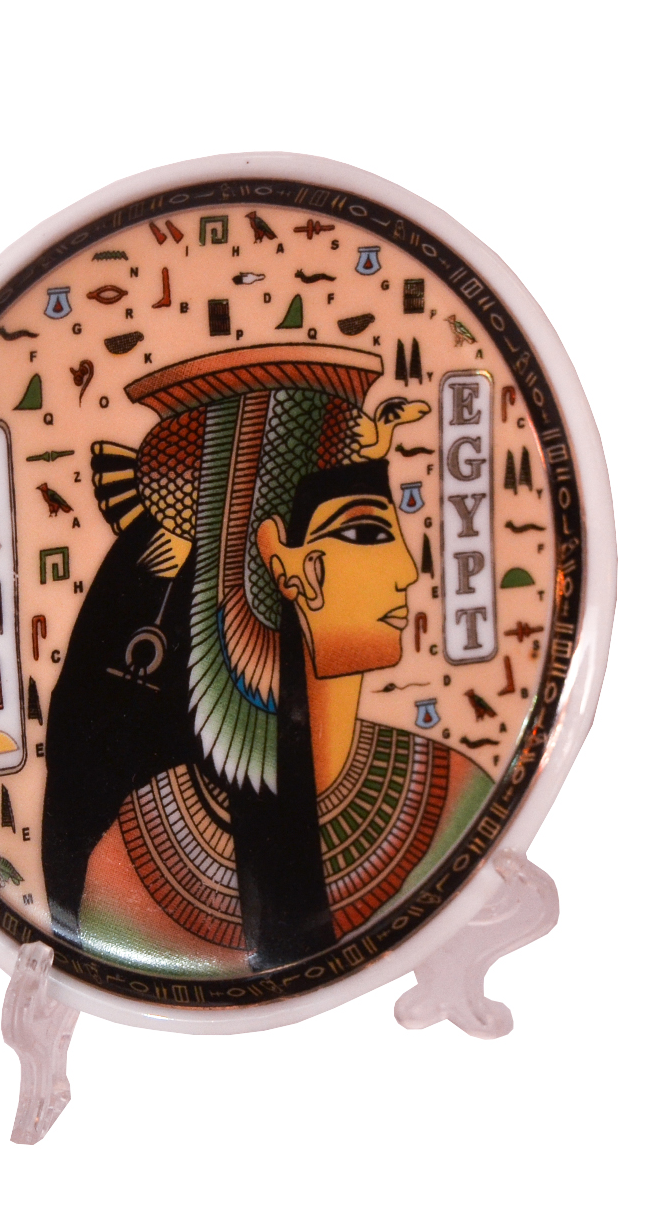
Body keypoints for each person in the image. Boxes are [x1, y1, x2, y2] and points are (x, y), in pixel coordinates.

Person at [42, 344, 491, 976]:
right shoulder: (126, 860)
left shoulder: (465, 794)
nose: (406, 571)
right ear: (278, 563)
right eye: (365, 533)